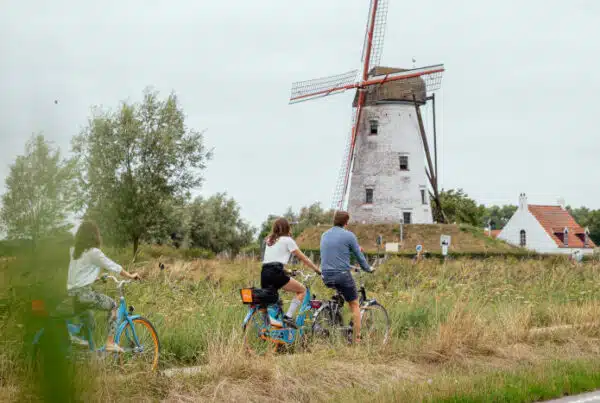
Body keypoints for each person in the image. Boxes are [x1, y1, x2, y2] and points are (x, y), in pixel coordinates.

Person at [67, 221, 140, 352]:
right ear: (94, 236)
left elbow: (77, 273)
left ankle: (87, 353)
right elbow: (113, 266)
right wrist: (130, 275)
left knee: (90, 323)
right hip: (84, 295)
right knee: (113, 306)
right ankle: (110, 343)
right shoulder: (94, 252)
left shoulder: (73, 251)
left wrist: (95, 279)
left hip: (71, 295)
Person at [320, 211, 374, 343]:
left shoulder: (324, 235)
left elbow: (335, 253)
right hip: (342, 275)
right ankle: (357, 339)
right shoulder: (349, 235)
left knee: (340, 298)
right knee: (354, 304)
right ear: (346, 222)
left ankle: (338, 323)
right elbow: (359, 257)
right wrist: (368, 268)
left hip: (325, 275)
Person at [262, 217, 321, 327]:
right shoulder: (288, 240)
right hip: (276, 274)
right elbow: (303, 258)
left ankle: (276, 329)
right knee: (302, 290)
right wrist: (317, 269)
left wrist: (287, 271)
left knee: (274, 303)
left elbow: (271, 261)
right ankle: (288, 317)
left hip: (264, 274)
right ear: (287, 228)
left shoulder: (269, 240)